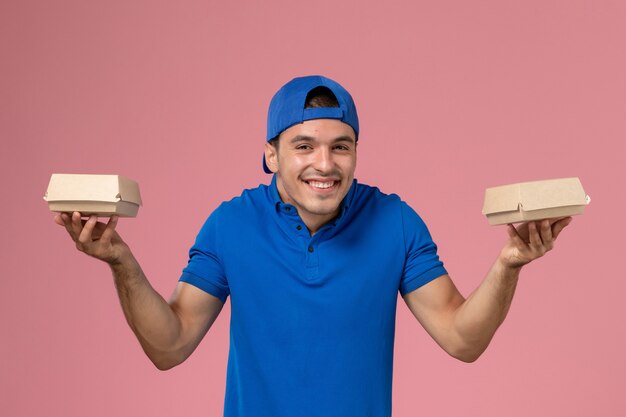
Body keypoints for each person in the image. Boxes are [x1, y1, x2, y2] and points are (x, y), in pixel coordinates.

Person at [54, 75, 572, 417]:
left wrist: (510, 264)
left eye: (339, 147)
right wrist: (120, 260)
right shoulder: (231, 225)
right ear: (271, 155)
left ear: (354, 153)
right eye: (304, 146)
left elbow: (462, 339)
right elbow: (170, 346)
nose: (324, 164)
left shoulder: (393, 221)